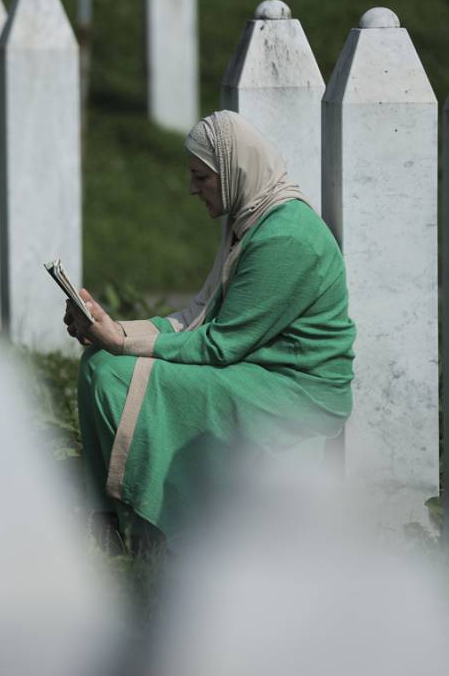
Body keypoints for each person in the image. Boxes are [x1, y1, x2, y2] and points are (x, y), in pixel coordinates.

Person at [64, 110, 355, 547]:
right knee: (99, 362)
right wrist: (111, 329)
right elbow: (199, 315)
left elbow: (221, 344)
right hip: (255, 364)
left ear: (234, 172)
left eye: (202, 177)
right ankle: (109, 517)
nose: (191, 188)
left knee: (119, 374)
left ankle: (153, 529)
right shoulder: (251, 219)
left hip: (296, 388)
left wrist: (123, 344)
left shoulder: (284, 237)